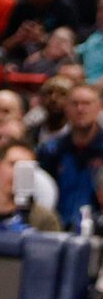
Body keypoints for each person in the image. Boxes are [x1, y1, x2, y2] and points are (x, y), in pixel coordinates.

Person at [37, 83, 103, 228]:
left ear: (99, 107)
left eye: (87, 103)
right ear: (66, 108)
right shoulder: (51, 150)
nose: (80, 109)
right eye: (75, 104)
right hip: (56, 228)